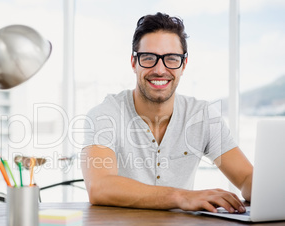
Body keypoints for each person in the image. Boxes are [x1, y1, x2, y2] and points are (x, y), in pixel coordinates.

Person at [80, 12, 253, 214]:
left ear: (183, 65)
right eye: (148, 58)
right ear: (134, 63)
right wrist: (182, 196)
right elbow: (99, 187)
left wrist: (268, 189)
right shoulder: (105, 114)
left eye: (171, 59)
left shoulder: (203, 116)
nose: (160, 70)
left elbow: (246, 179)